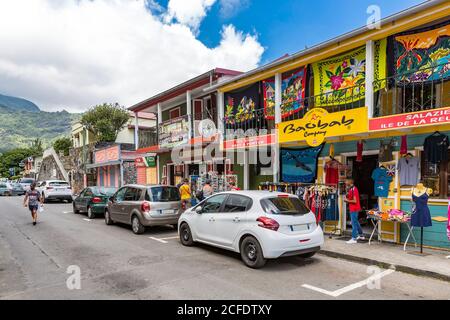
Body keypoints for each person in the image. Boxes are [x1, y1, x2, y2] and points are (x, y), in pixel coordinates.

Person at [344, 178, 364, 244]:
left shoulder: (354, 189)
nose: (345, 182)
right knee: (356, 222)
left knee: (354, 223)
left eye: (346, 181)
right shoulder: (351, 189)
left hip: (354, 209)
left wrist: (347, 200)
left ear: (350, 182)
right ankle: (361, 235)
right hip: (353, 208)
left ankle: (354, 238)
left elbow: (355, 201)